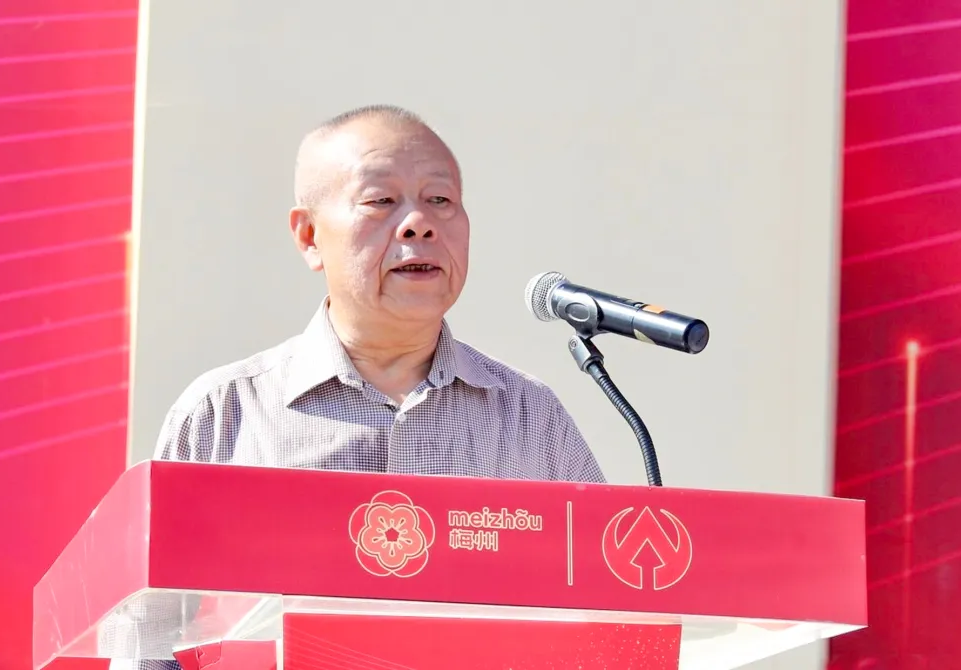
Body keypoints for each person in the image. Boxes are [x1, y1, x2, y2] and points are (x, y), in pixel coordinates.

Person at [109, 104, 605, 670]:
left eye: (440, 200)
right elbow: (146, 644)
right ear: (309, 236)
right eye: (381, 200)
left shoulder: (528, 416)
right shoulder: (225, 414)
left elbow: (610, 613)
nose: (419, 224)